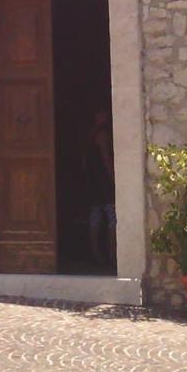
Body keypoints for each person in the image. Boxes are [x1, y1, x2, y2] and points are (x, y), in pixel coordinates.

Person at [85, 105, 116, 269]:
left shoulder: (90, 135)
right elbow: (106, 159)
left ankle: (96, 253)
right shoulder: (102, 134)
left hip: (94, 182)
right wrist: (113, 179)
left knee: (95, 218)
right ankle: (112, 255)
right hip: (104, 183)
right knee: (112, 218)